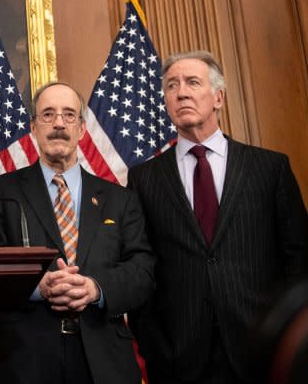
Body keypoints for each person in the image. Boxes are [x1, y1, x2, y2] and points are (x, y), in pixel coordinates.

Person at [127, 50, 308, 384]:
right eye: (171, 86)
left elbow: (298, 260)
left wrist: (288, 337)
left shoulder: (270, 168)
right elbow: (141, 265)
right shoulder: (143, 179)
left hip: (262, 351)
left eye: (192, 82)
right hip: (179, 358)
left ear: (218, 97)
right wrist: (157, 345)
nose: (180, 92)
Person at [0, 82, 155, 384]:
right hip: (27, 361)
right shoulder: (2, 192)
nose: (59, 123)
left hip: (105, 362)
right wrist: (38, 286)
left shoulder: (119, 198)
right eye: (48, 114)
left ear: (82, 129)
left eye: (69, 115)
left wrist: (96, 289)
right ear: (33, 127)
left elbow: (142, 272)